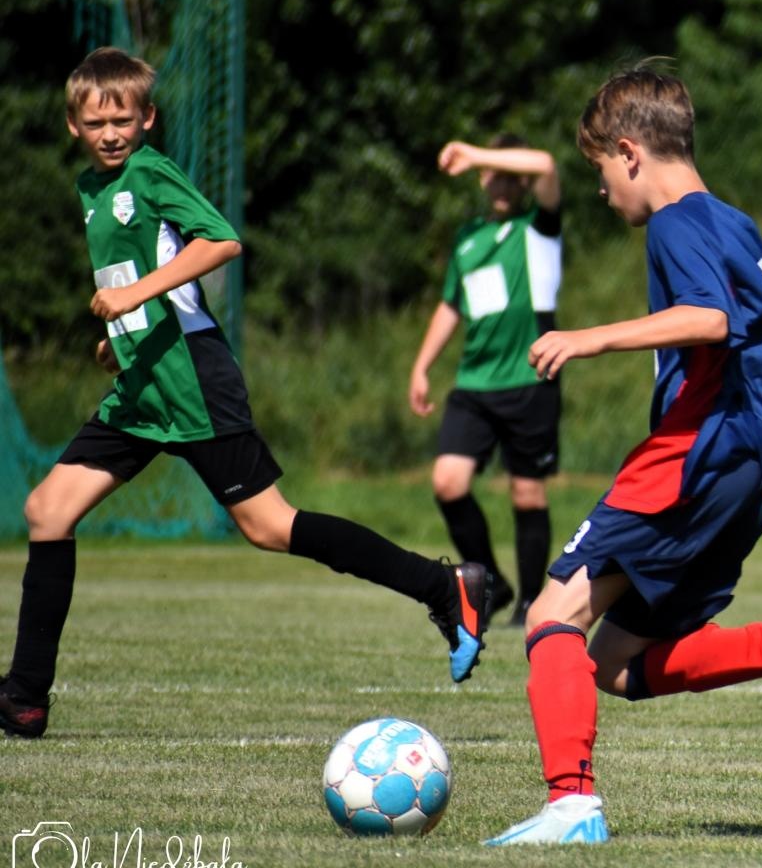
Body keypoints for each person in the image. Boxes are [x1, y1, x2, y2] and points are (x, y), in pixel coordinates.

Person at [0, 48, 491, 741]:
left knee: (270, 526)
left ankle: (446, 588)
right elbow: (150, 265)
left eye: (122, 118)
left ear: (147, 118)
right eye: (94, 120)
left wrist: (135, 296)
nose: (109, 132)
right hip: (143, 387)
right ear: (73, 125)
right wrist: (124, 335)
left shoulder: (149, 170)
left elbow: (221, 240)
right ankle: (24, 698)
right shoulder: (92, 188)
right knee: (48, 510)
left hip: (194, 381)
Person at [483, 67, 762, 846]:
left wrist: (590, 336)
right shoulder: (737, 224)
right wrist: (742, 429)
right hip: (749, 469)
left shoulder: (675, 223)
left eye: (597, 172)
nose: (600, 192)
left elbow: (711, 321)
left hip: (688, 460)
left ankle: (571, 804)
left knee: (552, 615)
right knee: (617, 662)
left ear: (629, 153)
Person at [411, 133, 564, 627]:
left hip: (529, 379)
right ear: (481, 180)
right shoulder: (468, 238)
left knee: (527, 494)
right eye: (491, 174)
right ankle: (492, 584)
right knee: (448, 483)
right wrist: (422, 365)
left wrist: (476, 153)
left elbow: (544, 162)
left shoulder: (537, 231)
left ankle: (530, 603)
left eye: (508, 174)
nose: (500, 182)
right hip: (475, 385)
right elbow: (452, 305)